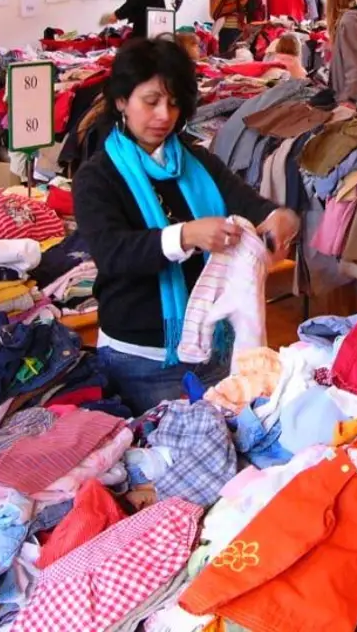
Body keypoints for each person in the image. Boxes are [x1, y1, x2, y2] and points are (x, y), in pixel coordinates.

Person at [73, 37, 300, 413]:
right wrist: (185, 235)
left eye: (174, 103)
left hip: (213, 349)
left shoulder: (198, 163)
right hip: (142, 361)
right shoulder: (97, 177)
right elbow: (114, 253)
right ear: (121, 101)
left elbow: (246, 201)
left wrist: (278, 217)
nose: (164, 115)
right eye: (151, 102)